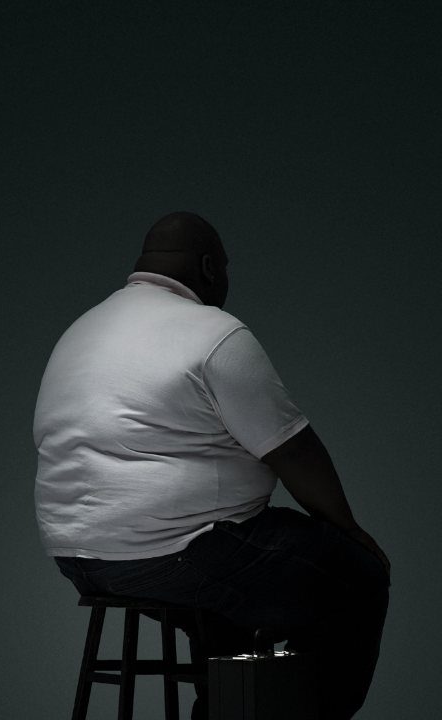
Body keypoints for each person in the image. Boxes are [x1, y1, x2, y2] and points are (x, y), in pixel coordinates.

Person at [32, 212, 390, 720]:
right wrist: (348, 529)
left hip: (79, 559)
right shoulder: (212, 333)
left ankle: (219, 706)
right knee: (358, 578)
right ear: (208, 267)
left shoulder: (81, 330)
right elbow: (293, 450)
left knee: (231, 612)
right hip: (178, 551)